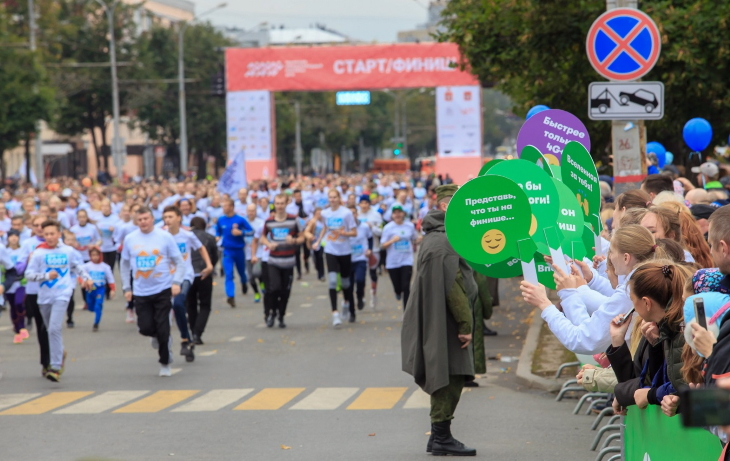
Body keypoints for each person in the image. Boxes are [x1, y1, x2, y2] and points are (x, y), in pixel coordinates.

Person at [401, 184, 477, 457]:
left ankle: (437, 437)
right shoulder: (444, 242)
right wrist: (467, 326)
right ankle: (442, 437)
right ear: (446, 207)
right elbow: (453, 289)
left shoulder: (437, 237)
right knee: (448, 377)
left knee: (448, 374)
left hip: (441, 321)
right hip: (447, 324)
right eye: (460, 204)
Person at [121, 207, 185, 377]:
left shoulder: (164, 237)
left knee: (163, 328)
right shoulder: (130, 239)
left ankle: (165, 362)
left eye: (146, 219)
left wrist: (176, 282)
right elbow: (124, 264)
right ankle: (155, 335)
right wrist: (127, 287)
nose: (143, 222)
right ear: (136, 221)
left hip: (163, 288)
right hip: (141, 291)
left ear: (152, 219)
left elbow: (179, 261)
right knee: (145, 328)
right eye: (139, 219)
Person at [25, 219, 93, 382]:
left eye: (52, 234)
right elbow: (29, 275)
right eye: (46, 234)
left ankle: (55, 366)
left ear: (59, 234)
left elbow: (77, 266)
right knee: (50, 329)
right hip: (44, 297)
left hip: (62, 293)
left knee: (55, 329)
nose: (49, 237)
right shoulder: (39, 253)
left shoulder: (68, 251)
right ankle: (60, 351)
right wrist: (46, 276)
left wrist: (87, 278)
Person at [163, 205, 213, 362]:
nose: (167, 220)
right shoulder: (161, 236)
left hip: (185, 275)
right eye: (165, 217)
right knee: (168, 309)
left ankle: (185, 338)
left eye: (170, 217)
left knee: (178, 303)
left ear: (179, 218)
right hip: (166, 278)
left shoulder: (187, 235)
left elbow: (201, 248)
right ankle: (188, 338)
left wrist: (209, 265)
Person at [255, 194, 304, 328]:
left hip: (288, 261)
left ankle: (281, 315)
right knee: (273, 288)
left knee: (284, 291)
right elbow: (262, 238)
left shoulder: (294, 220)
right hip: (273, 260)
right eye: (277, 204)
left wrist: (294, 240)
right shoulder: (269, 221)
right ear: (274, 205)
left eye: (282, 203)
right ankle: (271, 312)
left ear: (286, 204)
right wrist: (268, 244)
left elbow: (302, 237)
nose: (280, 206)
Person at [320, 190, 357, 327]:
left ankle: (346, 303)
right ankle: (335, 313)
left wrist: (344, 233)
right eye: (330, 197)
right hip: (330, 249)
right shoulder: (325, 213)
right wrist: (318, 241)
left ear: (339, 198)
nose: (332, 199)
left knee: (346, 283)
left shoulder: (346, 213)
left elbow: (354, 232)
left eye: (335, 197)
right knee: (333, 281)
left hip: (345, 250)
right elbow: (325, 227)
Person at [216, 198, 253, 308]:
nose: (224, 208)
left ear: (231, 207)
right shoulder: (221, 220)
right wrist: (217, 236)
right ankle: (230, 296)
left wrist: (241, 232)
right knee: (229, 274)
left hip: (239, 251)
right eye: (223, 206)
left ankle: (244, 283)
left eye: (225, 206)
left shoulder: (240, 219)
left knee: (242, 272)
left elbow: (251, 231)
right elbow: (218, 230)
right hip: (227, 251)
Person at [187, 217, 218, 345]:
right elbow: (215, 256)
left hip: (188, 274)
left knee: (191, 304)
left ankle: (193, 330)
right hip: (204, 272)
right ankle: (197, 333)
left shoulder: (186, 237)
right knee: (205, 305)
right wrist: (210, 267)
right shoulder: (209, 237)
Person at [381, 204, 419, 308]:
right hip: (392, 262)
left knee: (406, 286)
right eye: (395, 213)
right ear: (392, 215)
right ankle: (397, 292)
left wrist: (420, 240)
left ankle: (406, 313)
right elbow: (383, 245)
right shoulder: (388, 228)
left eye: (399, 212)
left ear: (403, 214)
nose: (397, 215)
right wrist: (392, 240)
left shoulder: (409, 226)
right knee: (398, 287)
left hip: (407, 260)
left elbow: (415, 239)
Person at [80, 247, 115, 331]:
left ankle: (96, 323)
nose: (95, 257)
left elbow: (110, 278)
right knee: (91, 306)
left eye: (97, 255)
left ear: (100, 255)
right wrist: (82, 282)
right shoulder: (87, 266)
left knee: (98, 305)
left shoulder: (105, 267)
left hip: (100, 288)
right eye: (93, 255)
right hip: (90, 289)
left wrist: (112, 289)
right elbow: (81, 275)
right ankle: (92, 307)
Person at [357, 195, 383, 308]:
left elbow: (382, 232)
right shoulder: (356, 214)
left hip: (374, 248)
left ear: (369, 204)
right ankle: (361, 296)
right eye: (361, 203)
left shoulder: (376, 215)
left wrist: (371, 227)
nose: (363, 205)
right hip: (359, 249)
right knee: (361, 274)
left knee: (372, 272)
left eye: (365, 203)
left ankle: (373, 294)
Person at [5, 229, 28, 344]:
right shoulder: (4, 251)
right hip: (8, 283)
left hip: (21, 283)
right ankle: (17, 328)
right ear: (7, 238)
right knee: (12, 307)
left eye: (16, 236)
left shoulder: (22, 251)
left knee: (19, 303)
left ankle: (22, 326)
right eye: (11, 236)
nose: (13, 238)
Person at [348, 204, 372, 311]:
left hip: (361, 257)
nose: (352, 215)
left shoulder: (364, 226)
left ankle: (360, 297)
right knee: (349, 285)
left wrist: (370, 249)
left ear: (357, 214)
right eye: (349, 214)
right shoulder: (343, 227)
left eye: (353, 213)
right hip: (347, 258)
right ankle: (351, 308)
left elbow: (370, 238)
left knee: (360, 280)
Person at [244, 203, 264, 303]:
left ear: (256, 211)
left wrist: (261, 240)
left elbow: (264, 236)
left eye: (253, 210)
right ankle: (256, 293)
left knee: (257, 272)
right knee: (250, 277)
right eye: (249, 210)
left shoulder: (261, 222)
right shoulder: (243, 222)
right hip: (247, 253)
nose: (251, 212)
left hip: (259, 253)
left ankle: (262, 281)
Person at [304, 208, 326, 282]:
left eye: (320, 213)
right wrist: (310, 236)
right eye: (317, 213)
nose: (319, 215)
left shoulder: (325, 221)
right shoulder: (313, 222)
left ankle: (321, 275)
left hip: (323, 241)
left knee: (320, 257)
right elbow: (306, 231)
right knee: (316, 259)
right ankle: (318, 270)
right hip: (314, 242)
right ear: (314, 215)